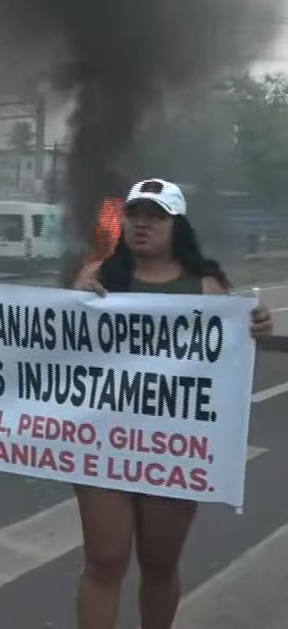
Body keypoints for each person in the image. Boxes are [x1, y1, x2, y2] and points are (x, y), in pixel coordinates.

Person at [71, 178, 273, 629]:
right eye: (135, 213)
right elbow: (62, 352)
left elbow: (227, 364)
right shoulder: (99, 279)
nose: (142, 223)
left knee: (159, 564)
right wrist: (75, 298)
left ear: (176, 224)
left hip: (173, 445)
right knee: (104, 560)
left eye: (156, 215)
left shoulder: (207, 287)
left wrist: (254, 328)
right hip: (102, 440)